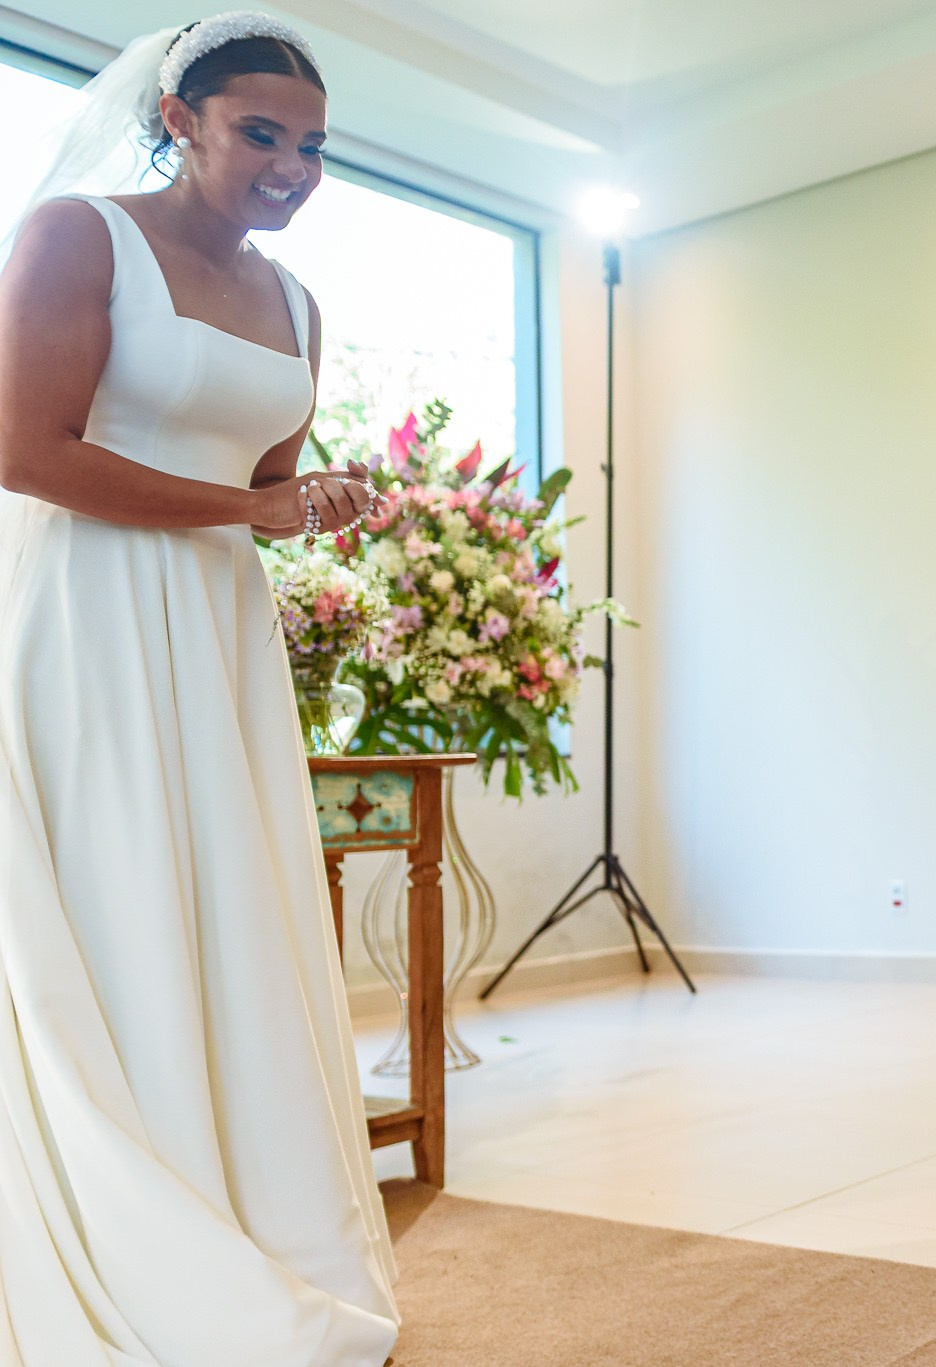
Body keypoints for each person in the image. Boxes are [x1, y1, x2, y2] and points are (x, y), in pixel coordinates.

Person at [0, 13, 401, 1363]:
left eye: (314, 146)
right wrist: (263, 505)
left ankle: (250, 1211)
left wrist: (318, 497)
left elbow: (262, 483)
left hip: (218, 632)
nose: (292, 167)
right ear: (180, 120)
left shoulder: (300, 304)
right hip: (93, 615)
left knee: (224, 902)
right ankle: (135, 1228)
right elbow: (23, 448)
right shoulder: (78, 235)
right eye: (262, 135)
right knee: (120, 897)